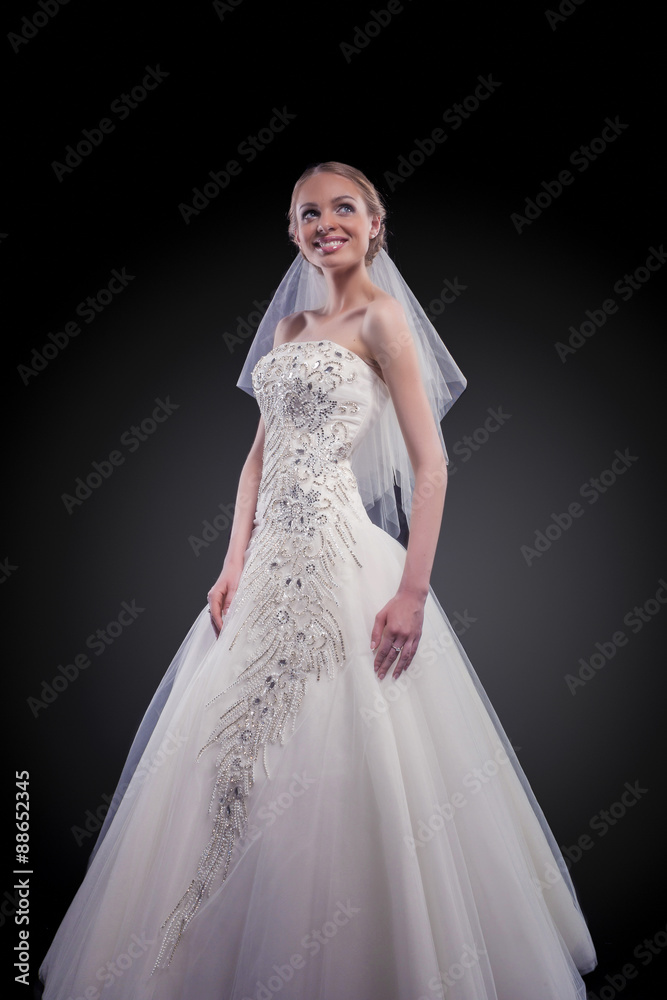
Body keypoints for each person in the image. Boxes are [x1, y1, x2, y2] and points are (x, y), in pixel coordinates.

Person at [39, 162, 597, 999]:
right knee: (228, 757)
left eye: (343, 208)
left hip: (346, 563)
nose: (325, 223)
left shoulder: (382, 319)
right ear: (294, 232)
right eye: (308, 213)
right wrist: (231, 562)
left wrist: (411, 591)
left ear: (375, 224)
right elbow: (256, 459)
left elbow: (432, 465)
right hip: (266, 567)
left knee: (348, 755)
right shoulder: (290, 327)